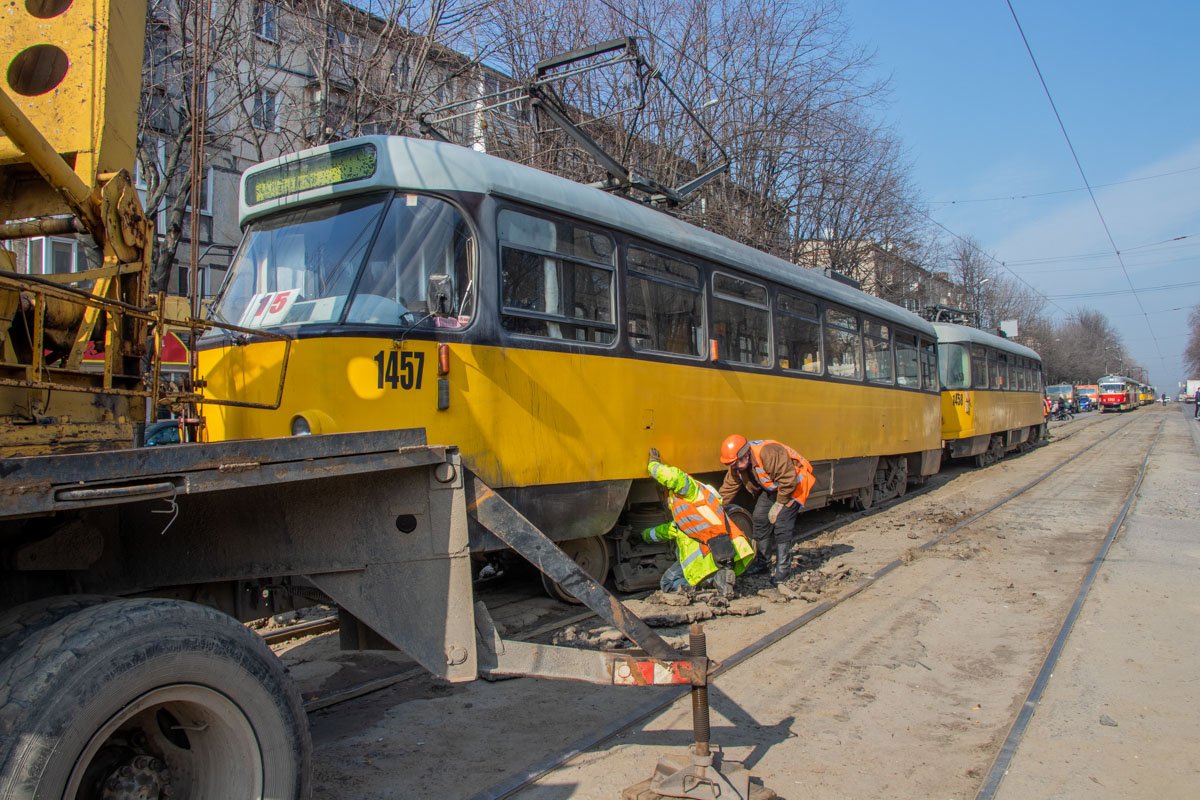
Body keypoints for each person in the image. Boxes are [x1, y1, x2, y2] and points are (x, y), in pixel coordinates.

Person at [641, 449, 755, 596]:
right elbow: (668, 530)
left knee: (667, 583)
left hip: (705, 559)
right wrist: (644, 535)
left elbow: (674, 476)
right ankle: (718, 578)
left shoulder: (690, 490)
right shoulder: (695, 507)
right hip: (726, 553)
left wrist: (653, 466)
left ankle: (712, 581)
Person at [718, 435, 816, 583]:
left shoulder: (769, 453)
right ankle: (763, 563)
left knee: (782, 522)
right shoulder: (737, 465)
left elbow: (789, 480)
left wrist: (779, 504)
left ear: (745, 454)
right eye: (731, 464)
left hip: (794, 485)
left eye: (736, 462)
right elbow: (729, 487)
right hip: (774, 487)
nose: (734, 466)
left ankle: (783, 569)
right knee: (759, 518)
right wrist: (717, 506)